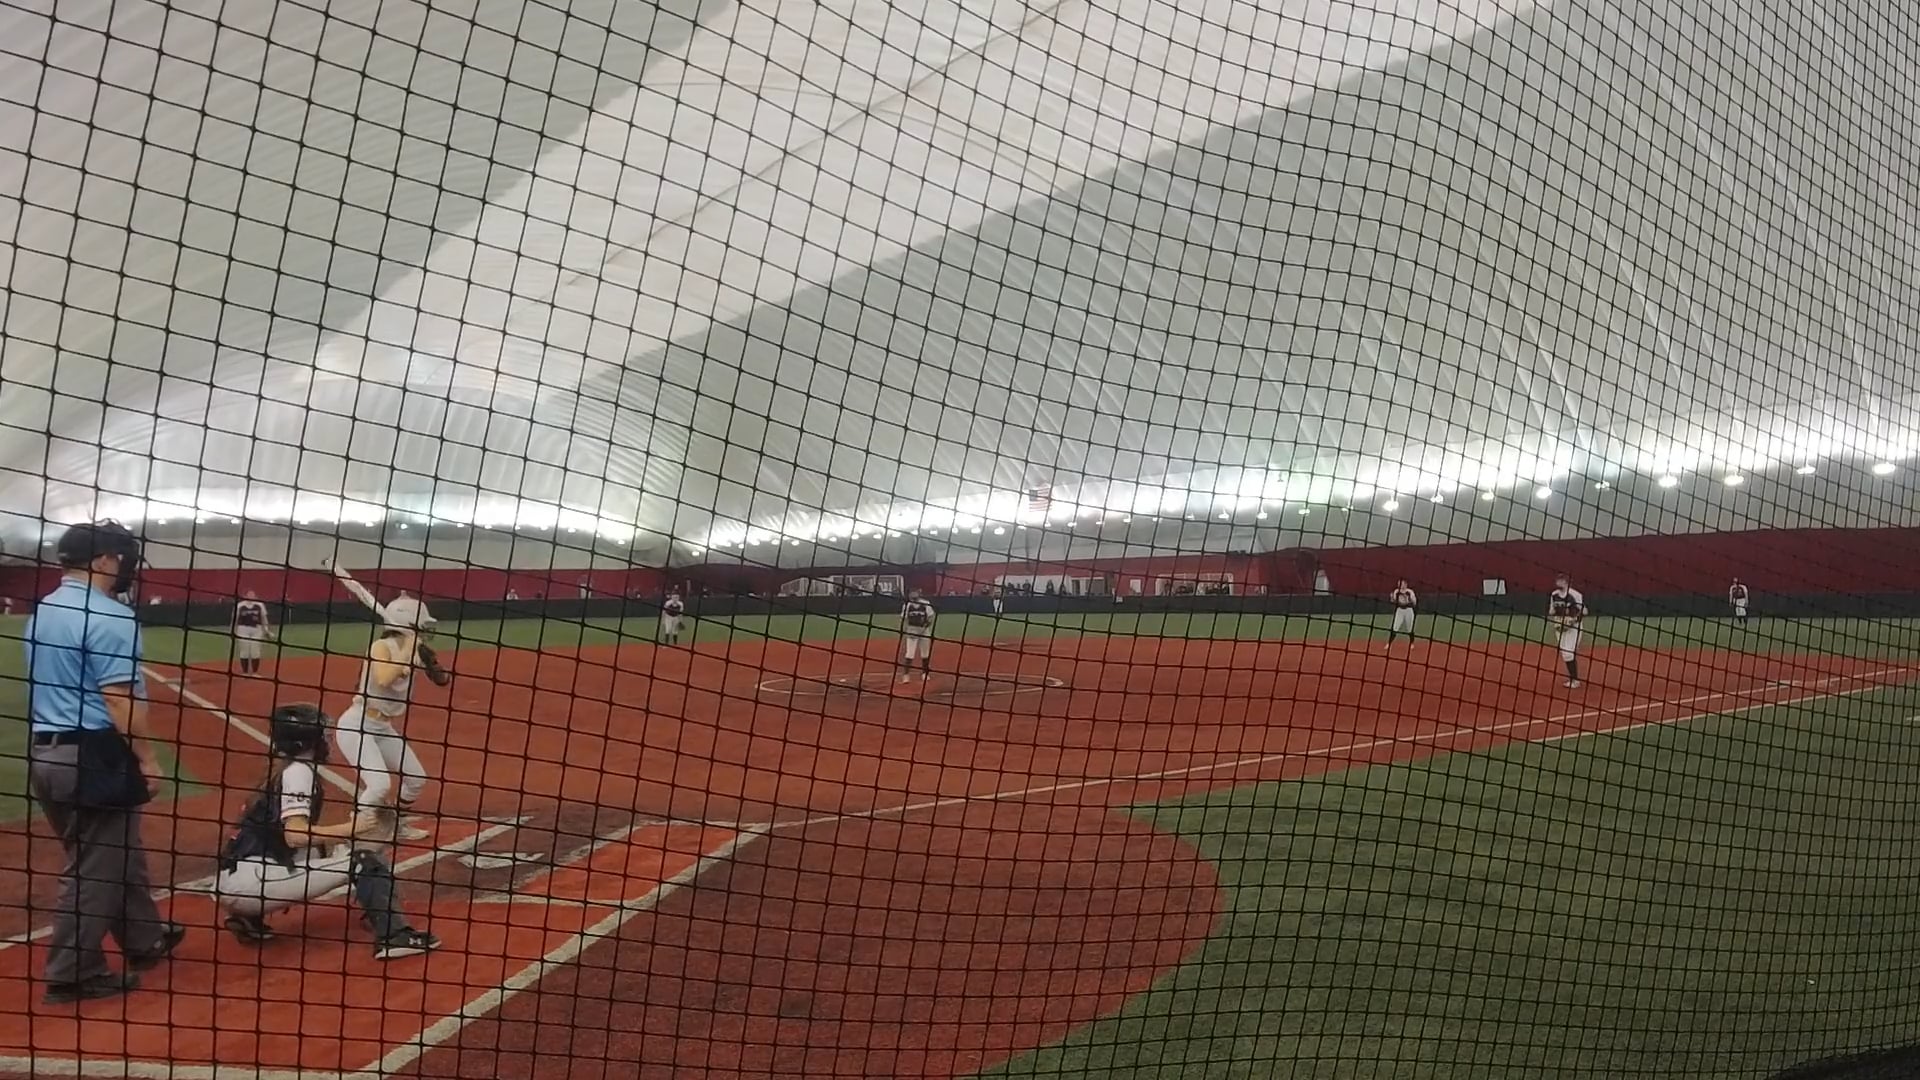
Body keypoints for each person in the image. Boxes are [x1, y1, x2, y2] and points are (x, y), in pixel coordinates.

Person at [25, 520, 185, 1004]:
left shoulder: (44, 610)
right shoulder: (110, 615)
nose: (126, 564)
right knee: (94, 868)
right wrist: (148, 760)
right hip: (93, 754)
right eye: (120, 555)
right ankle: (73, 972)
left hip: (46, 754)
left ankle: (143, 937)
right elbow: (118, 699)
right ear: (102, 561)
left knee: (116, 851)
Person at [215, 703, 441, 959]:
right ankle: (393, 936)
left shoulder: (284, 769)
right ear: (305, 741)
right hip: (251, 885)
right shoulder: (299, 772)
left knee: (321, 850)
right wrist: (352, 829)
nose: (328, 738)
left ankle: (248, 918)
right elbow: (295, 835)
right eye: (322, 733)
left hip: (239, 877)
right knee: (366, 861)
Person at [333, 596, 450, 838]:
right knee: (379, 785)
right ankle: (354, 836)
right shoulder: (381, 647)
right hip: (357, 724)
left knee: (416, 779)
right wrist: (406, 652)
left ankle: (396, 826)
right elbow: (384, 678)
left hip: (383, 727)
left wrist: (430, 662)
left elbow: (442, 680)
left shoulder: (417, 651)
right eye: (421, 624)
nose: (425, 630)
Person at [1548, 573, 1588, 689]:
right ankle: (1573, 678)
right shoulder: (1554, 594)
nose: (1557, 582)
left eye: (1560, 580)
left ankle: (1575, 681)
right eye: (1557, 580)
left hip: (1574, 627)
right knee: (1566, 654)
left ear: (1566, 582)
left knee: (1568, 653)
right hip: (1560, 627)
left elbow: (1584, 611)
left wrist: (1572, 620)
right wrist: (1559, 619)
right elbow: (1551, 611)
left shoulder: (1575, 595)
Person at [231, 589, 274, 676]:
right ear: (245, 596)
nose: (251, 596)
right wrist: (232, 630)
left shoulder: (260, 605)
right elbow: (234, 619)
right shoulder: (240, 605)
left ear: (255, 596)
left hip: (257, 629)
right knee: (244, 650)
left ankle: (255, 672)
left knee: (255, 650)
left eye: (252, 594)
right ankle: (245, 672)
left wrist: (267, 630)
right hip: (243, 629)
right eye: (249, 594)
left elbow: (264, 619)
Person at [899, 589, 936, 682]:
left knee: (925, 653)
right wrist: (907, 630)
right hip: (912, 631)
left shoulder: (925, 603)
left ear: (919, 594)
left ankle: (925, 673)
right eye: (912, 593)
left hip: (924, 632)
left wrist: (925, 626)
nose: (913, 594)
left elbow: (931, 617)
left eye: (915, 592)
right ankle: (906, 675)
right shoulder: (907, 605)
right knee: (910, 653)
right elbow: (904, 619)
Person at [1386, 579, 1419, 651]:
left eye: (1402, 584)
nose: (1401, 585)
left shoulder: (1409, 592)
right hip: (1400, 610)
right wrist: (1391, 598)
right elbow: (1393, 601)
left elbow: (1414, 602)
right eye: (1399, 584)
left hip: (1408, 610)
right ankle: (1389, 644)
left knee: (1410, 628)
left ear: (1406, 584)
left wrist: (1410, 602)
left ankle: (1412, 643)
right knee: (1395, 627)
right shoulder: (1396, 592)